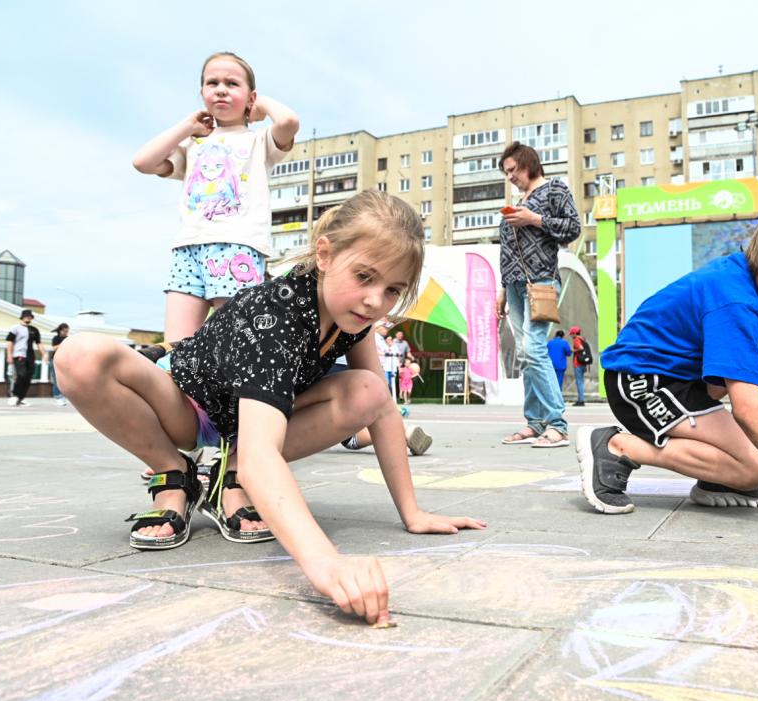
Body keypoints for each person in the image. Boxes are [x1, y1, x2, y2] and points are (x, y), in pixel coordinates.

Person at [56, 190, 485, 625]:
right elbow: (266, 457)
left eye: (391, 289)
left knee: (369, 390)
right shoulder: (276, 314)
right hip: (185, 404)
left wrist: (413, 514)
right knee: (79, 357)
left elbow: (383, 409)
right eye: (363, 276)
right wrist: (327, 564)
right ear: (324, 254)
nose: (375, 300)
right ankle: (175, 472)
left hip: (245, 425)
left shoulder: (353, 317)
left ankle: (229, 474)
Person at [577, 194, 758, 530]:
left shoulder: (744, 280)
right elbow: (748, 409)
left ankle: (720, 476)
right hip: (642, 381)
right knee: (756, 468)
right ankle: (617, 445)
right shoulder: (733, 298)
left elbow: (724, 374)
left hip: (681, 378)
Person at [132, 51, 298, 342]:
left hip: (238, 246)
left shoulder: (259, 141)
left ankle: (233, 390)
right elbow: (142, 161)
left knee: (236, 344)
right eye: (212, 83)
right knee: (177, 348)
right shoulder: (191, 145)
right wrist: (188, 125)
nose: (221, 89)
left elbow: (288, 122)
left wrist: (260, 106)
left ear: (251, 97)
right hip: (188, 248)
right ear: (202, 93)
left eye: (232, 83)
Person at [496, 142, 580, 449]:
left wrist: (534, 219)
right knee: (524, 353)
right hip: (515, 286)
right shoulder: (521, 201)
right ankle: (534, 422)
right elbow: (508, 251)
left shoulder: (555, 189)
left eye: (512, 170)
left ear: (527, 163)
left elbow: (573, 229)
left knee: (533, 349)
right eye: (506, 173)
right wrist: (502, 290)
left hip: (542, 282)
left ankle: (557, 424)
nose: (510, 177)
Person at [5, 309, 48, 407]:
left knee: (28, 377)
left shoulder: (34, 330)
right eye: (26, 316)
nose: (28, 318)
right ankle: (14, 395)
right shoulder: (15, 328)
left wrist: (44, 354)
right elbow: (10, 342)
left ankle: (21, 398)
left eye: (30, 316)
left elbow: (39, 343)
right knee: (22, 375)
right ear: (22, 317)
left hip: (30, 356)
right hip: (19, 355)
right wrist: (9, 355)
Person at [50, 323, 70, 406]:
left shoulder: (68, 339)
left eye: (67, 331)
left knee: (64, 380)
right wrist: (64, 343)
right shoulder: (56, 338)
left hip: (65, 360)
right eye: (65, 331)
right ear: (60, 331)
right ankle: (58, 397)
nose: (66, 333)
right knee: (56, 380)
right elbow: (54, 348)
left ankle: (62, 396)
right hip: (55, 360)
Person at [570, 326, 590, 406]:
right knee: (580, 381)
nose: (571, 336)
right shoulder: (583, 339)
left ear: (575, 333)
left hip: (578, 363)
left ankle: (581, 400)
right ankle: (580, 399)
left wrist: (573, 350)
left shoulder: (577, 339)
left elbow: (580, 348)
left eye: (572, 334)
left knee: (579, 382)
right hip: (583, 363)